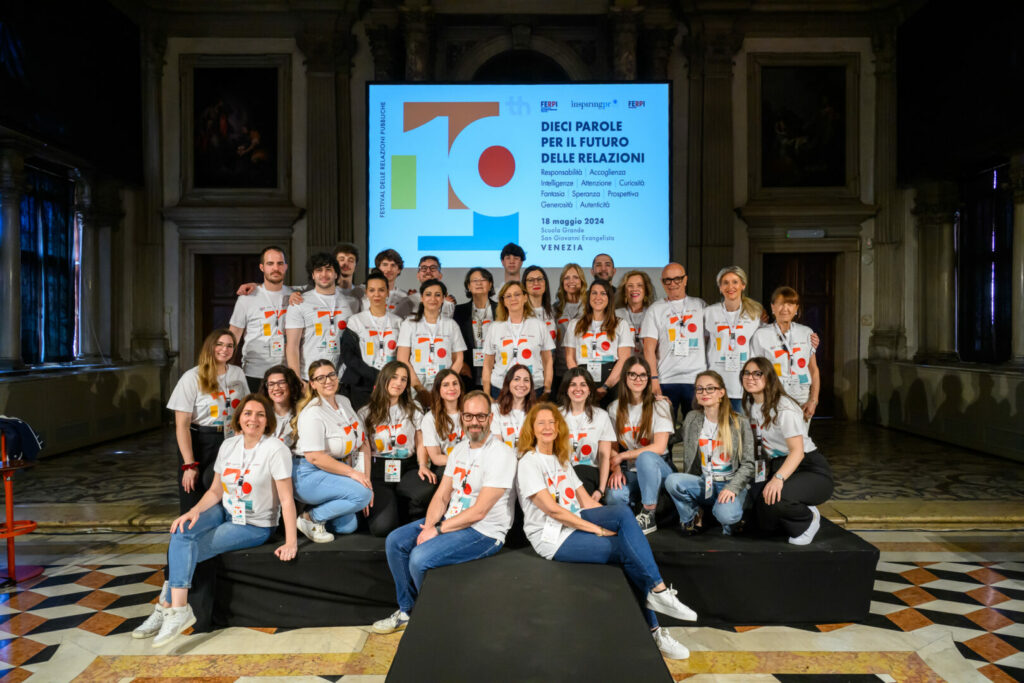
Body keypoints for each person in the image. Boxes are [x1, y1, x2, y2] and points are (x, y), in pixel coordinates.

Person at [515, 403, 695, 660]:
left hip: (576, 518)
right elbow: (553, 511)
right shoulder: (528, 462)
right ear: (531, 429)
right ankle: (655, 630)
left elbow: (585, 502)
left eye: (552, 422)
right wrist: (598, 529)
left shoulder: (560, 458)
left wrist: (613, 523)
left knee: (621, 511)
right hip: (552, 536)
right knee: (627, 552)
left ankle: (659, 591)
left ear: (558, 427)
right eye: (540, 422)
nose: (547, 427)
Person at [132, 394, 297, 647]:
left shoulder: (275, 449)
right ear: (239, 418)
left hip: (254, 524)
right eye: (248, 413)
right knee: (182, 530)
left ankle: (166, 606)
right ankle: (177, 610)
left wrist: (291, 542)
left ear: (268, 421)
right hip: (225, 510)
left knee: (189, 549)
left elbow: (286, 499)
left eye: (260, 414)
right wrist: (193, 511)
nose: (253, 419)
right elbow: (215, 491)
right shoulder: (229, 445)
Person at [373, 391, 517, 635]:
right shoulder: (459, 450)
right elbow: (441, 496)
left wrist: (438, 530)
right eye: (469, 416)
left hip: (484, 531)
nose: (474, 422)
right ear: (462, 418)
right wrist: (430, 526)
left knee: (419, 558)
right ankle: (408, 610)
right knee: (395, 541)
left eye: (480, 416)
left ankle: (430, 617)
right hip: (452, 520)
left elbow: (480, 511)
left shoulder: (501, 454)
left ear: (490, 418)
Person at [741, 357, 833, 545]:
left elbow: (797, 452)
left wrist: (778, 479)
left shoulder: (784, 407)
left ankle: (807, 518)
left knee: (777, 498)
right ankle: (791, 503)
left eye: (757, 373)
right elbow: (759, 445)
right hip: (778, 464)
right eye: (747, 373)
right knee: (760, 519)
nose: (750, 377)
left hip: (808, 467)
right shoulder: (751, 404)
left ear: (769, 377)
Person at [167, 329, 249, 513]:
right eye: (219, 344)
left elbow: (246, 408)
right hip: (200, 441)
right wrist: (189, 464)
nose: (224, 349)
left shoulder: (237, 373)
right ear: (210, 347)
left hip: (230, 439)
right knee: (194, 497)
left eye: (229, 346)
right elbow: (182, 426)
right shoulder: (191, 377)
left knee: (225, 494)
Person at [292, 359, 373, 543]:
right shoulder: (312, 413)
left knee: (347, 526)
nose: (328, 381)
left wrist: (365, 479)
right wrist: (355, 476)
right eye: (320, 378)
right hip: (308, 473)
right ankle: (309, 518)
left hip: (335, 470)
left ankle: (321, 508)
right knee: (361, 495)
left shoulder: (344, 401)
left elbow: (362, 442)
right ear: (312, 384)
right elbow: (315, 457)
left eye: (331, 375)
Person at [664, 370, 754, 535]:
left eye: (710, 388)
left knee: (726, 515)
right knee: (672, 481)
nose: (704, 393)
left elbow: (749, 464)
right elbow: (672, 437)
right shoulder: (692, 418)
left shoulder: (739, 422)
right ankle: (691, 517)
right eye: (700, 389)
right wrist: (665, 409)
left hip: (730, 483)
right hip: (704, 482)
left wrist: (732, 488)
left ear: (721, 392)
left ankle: (728, 517)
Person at [605, 357, 676, 535]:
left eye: (643, 375)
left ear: (648, 378)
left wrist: (623, 455)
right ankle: (632, 517)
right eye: (633, 374)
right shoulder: (614, 408)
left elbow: (659, 447)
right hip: (631, 470)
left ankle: (648, 514)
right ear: (625, 377)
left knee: (645, 457)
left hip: (658, 469)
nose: (638, 379)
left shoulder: (659, 405)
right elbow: (612, 446)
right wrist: (616, 469)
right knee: (614, 496)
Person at [359, 361, 424, 537]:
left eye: (404, 379)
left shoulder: (414, 408)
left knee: (424, 489)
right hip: (378, 470)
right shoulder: (365, 412)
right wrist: (365, 481)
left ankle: (408, 514)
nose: (399, 383)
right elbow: (364, 450)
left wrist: (423, 465)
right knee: (382, 528)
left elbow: (420, 440)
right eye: (394, 377)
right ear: (384, 379)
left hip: (407, 467)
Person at [641, 262, 707, 428]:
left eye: (677, 279)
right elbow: (648, 349)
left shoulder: (700, 305)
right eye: (667, 280)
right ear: (662, 282)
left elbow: (709, 340)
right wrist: (654, 380)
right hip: (666, 379)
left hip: (696, 379)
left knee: (697, 429)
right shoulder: (655, 309)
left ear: (685, 280)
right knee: (664, 429)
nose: (672, 284)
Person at [750, 286, 821, 423]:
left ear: (796, 308)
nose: (785, 309)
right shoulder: (761, 335)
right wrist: (760, 400)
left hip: (801, 397)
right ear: (773, 307)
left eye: (790, 304)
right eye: (780, 304)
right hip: (773, 396)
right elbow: (755, 371)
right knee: (776, 436)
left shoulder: (806, 332)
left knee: (800, 436)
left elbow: (813, 369)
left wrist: (813, 400)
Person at [402, 368, 466, 518]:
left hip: (474, 464)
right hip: (446, 465)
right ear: (438, 390)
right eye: (446, 385)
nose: (451, 388)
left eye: (455, 383)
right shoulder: (430, 418)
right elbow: (436, 458)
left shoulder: (470, 411)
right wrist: (466, 461)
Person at [284, 253, 359, 382]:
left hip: (340, 377)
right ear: (313, 275)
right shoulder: (299, 302)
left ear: (336, 274)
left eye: (328, 269)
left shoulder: (350, 303)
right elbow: (292, 346)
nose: (324, 274)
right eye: (319, 270)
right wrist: (297, 379)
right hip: (309, 377)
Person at [229, 247, 292, 393]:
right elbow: (233, 336)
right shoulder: (247, 298)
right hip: (254, 372)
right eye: (270, 263)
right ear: (262, 267)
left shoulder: (295, 295)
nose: (275, 268)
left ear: (285, 267)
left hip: (286, 372)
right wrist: (226, 370)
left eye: (280, 263)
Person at [341, 270, 404, 409]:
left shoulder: (398, 322)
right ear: (366, 293)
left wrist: (390, 377)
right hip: (362, 383)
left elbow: (404, 355)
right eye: (372, 290)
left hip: (391, 383)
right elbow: (348, 356)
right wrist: (374, 375)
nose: (377, 294)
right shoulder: (355, 321)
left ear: (388, 293)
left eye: (381, 290)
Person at [704, 266, 763, 411]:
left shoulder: (755, 313)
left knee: (741, 425)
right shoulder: (709, 312)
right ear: (720, 287)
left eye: (735, 282)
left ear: (743, 285)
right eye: (725, 282)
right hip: (716, 381)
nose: (730, 287)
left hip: (743, 384)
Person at [564, 279, 633, 402]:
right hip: (582, 378)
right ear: (589, 296)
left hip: (612, 380)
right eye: (594, 293)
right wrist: (581, 384)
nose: (598, 297)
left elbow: (624, 359)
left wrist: (606, 386)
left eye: (603, 293)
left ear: (609, 298)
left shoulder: (621, 324)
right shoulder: (574, 324)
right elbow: (570, 358)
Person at [483, 281, 554, 398]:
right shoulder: (495, 327)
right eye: (508, 296)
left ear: (525, 298)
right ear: (503, 301)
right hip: (500, 388)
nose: (513, 299)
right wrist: (486, 393)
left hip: (534, 387)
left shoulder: (539, 325)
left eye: (517, 294)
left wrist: (547, 388)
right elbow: (487, 363)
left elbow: (547, 360)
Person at [556, 367, 616, 503]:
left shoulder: (602, 416)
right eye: (573, 384)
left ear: (589, 390)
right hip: (562, 473)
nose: (578, 389)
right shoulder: (556, 415)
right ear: (566, 389)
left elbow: (604, 456)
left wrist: (601, 490)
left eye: (583, 385)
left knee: (580, 471)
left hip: (589, 471)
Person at [398, 278, 466, 395]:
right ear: (421, 298)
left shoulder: (451, 324)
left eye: (438, 295)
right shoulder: (409, 324)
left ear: (443, 298)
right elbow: (402, 359)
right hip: (416, 384)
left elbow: (459, 359)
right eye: (428, 294)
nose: (433, 299)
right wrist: (419, 388)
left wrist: (447, 384)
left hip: (444, 384)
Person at [453, 267, 497, 390]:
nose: (479, 283)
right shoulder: (459, 312)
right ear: (468, 286)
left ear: (490, 284)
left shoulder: (501, 309)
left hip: (496, 370)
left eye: (483, 280)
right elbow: (452, 341)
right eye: (475, 280)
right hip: (468, 372)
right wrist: (460, 363)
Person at [553, 263, 588, 394]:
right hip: (560, 369)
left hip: (585, 368)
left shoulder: (590, 307)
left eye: (575, 277)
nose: (571, 281)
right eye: (567, 278)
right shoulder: (555, 309)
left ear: (582, 281)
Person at [490, 363, 536, 450]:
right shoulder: (495, 409)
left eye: (526, 380)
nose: (522, 384)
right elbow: (497, 443)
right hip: (503, 455)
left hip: (528, 456)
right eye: (517, 379)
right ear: (508, 382)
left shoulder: (536, 411)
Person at [259, 364, 303, 449]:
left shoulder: (303, 413)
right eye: (271, 384)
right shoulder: (259, 414)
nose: (276, 388)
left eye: (281, 383)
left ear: (291, 385)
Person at [614, 269, 656, 357]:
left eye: (639, 285)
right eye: (630, 286)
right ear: (625, 291)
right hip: (623, 362)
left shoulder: (654, 313)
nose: (634, 289)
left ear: (646, 290)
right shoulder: (615, 315)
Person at [367, 248, 411, 316]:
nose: (389, 269)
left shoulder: (404, 297)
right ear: (378, 267)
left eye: (393, 265)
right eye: (385, 264)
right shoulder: (365, 295)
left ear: (399, 270)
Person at [523, 265, 556, 344]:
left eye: (540, 279)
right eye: (531, 280)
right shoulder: (518, 312)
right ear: (524, 285)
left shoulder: (553, 311)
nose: (536, 283)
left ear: (545, 283)